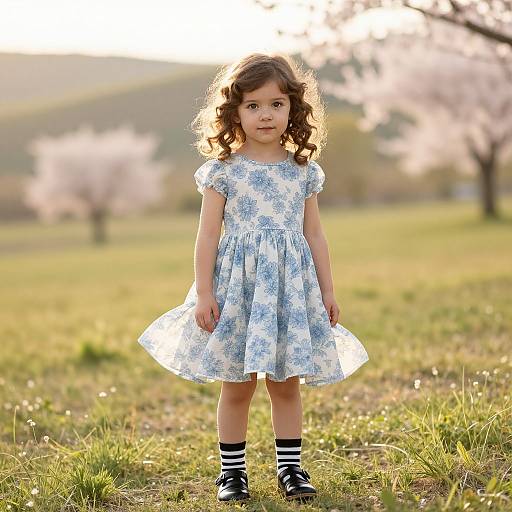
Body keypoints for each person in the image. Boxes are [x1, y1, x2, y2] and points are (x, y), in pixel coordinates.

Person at [137, 53, 369, 503]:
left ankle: (291, 470)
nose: (266, 114)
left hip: (288, 289)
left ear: (293, 110)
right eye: (254, 105)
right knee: (237, 384)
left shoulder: (302, 169)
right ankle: (232, 473)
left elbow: (315, 235)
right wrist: (204, 293)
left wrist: (326, 291)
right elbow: (207, 236)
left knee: (286, 384)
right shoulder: (224, 169)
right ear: (235, 111)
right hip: (237, 289)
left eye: (277, 104)